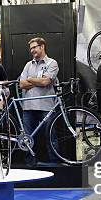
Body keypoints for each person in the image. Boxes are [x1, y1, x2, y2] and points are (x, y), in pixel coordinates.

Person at [19, 37, 59, 166]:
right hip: (28, 106)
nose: (32, 50)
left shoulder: (52, 63)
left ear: (42, 47)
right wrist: (38, 80)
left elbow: (46, 81)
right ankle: (30, 164)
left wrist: (30, 79)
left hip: (46, 106)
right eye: (31, 48)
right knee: (27, 138)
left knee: (50, 136)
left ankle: (55, 162)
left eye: (34, 47)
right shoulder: (28, 64)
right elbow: (21, 84)